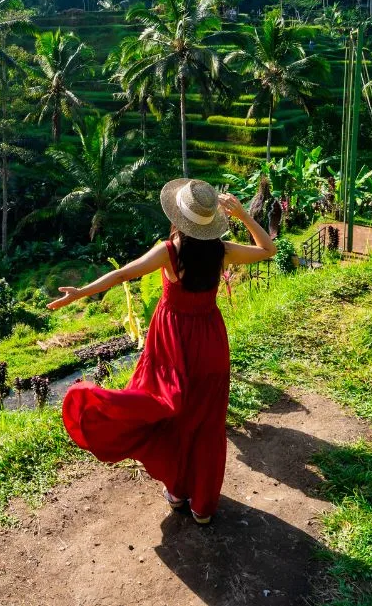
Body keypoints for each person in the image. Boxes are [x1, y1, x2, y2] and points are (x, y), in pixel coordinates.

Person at [47, 178, 276, 525]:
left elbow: (121, 275)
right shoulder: (223, 250)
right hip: (210, 343)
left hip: (173, 343)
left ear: (178, 217)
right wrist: (244, 215)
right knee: (207, 423)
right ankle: (202, 506)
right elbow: (268, 249)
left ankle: (179, 491)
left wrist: (79, 293)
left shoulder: (169, 251)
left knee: (171, 414)